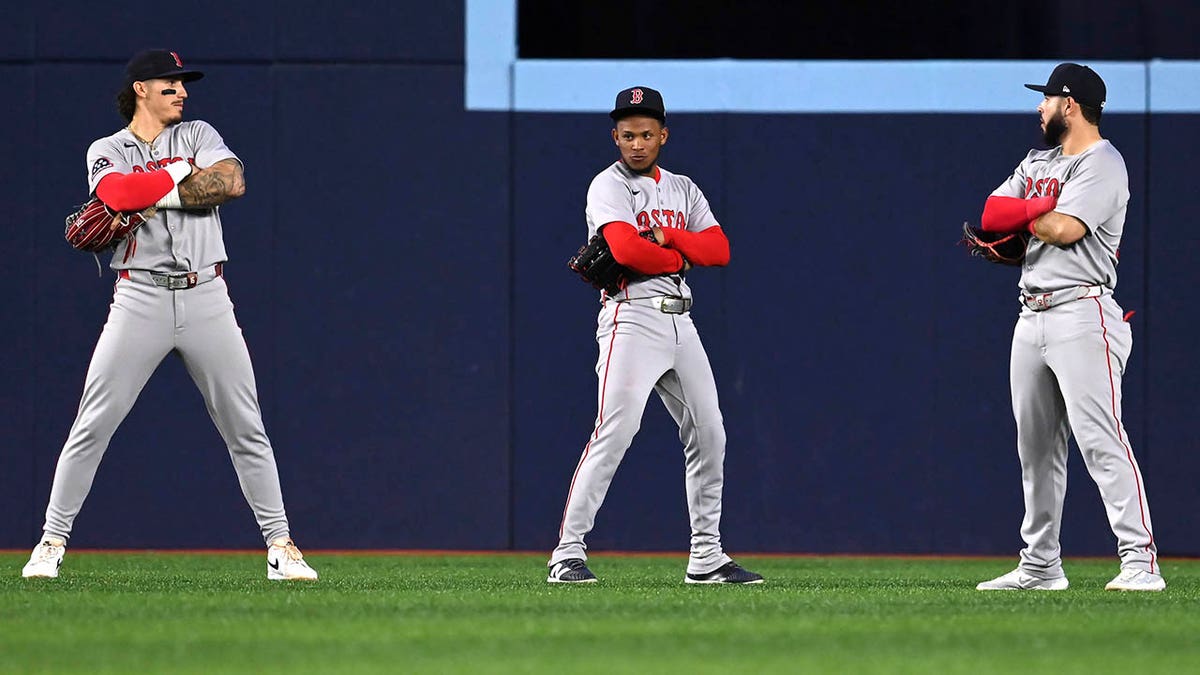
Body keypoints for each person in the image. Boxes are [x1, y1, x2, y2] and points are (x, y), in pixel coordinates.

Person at [21, 49, 317, 581]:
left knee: (246, 426)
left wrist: (154, 194)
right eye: (170, 83)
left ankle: (281, 546)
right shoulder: (108, 148)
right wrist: (179, 176)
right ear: (141, 89)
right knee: (93, 423)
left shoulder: (199, 133)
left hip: (207, 296)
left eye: (183, 83)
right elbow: (116, 193)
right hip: (140, 298)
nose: (182, 91)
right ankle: (50, 542)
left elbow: (230, 182)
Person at [547, 86, 761, 585]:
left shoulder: (684, 188)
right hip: (632, 317)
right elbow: (626, 250)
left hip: (681, 322)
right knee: (616, 430)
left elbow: (720, 249)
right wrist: (681, 258)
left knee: (709, 433)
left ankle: (706, 558)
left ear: (663, 135)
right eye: (627, 135)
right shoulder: (608, 185)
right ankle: (566, 554)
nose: (636, 144)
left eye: (645, 134)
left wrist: (670, 239)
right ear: (615, 138)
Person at [974, 63, 1162, 592]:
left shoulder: (1104, 163)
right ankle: (1040, 566)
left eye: (1047, 99)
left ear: (1070, 105)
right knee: (1035, 450)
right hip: (1030, 313)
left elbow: (1063, 229)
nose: (1040, 108)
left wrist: (1027, 212)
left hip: (1083, 313)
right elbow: (991, 214)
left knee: (1101, 441)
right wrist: (1040, 207)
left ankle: (1141, 562)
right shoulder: (1039, 160)